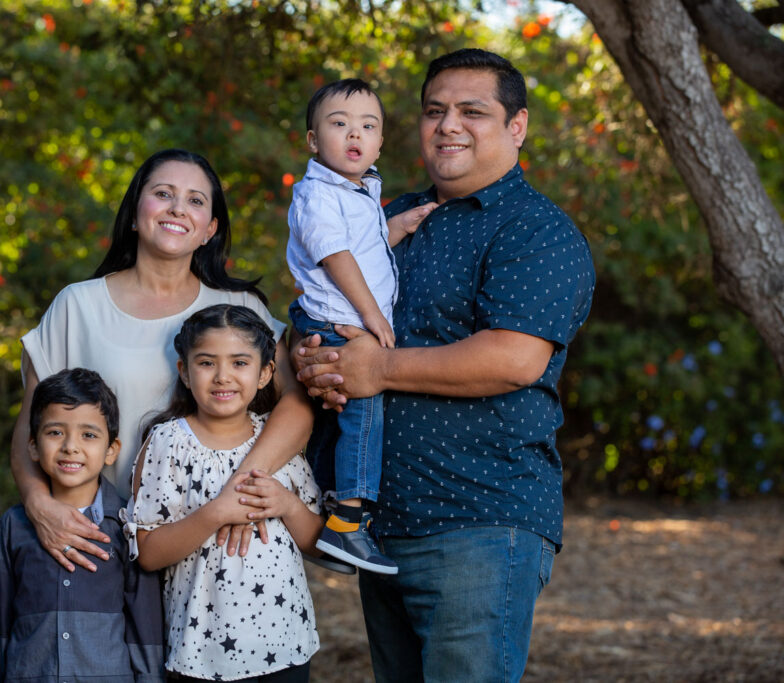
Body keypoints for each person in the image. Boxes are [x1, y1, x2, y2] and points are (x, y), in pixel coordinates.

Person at [294, 49, 596, 682]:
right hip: (381, 526)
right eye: (435, 111)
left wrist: (374, 370)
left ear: (516, 127)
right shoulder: (387, 216)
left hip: (478, 521)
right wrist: (314, 357)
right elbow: (333, 314)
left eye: (472, 111)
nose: (448, 125)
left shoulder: (533, 230)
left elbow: (513, 359)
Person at [10, 149, 313, 573]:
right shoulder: (77, 306)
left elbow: (297, 405)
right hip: (98, 544)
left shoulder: (238, 308)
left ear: (210, 228)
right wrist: (40, 506)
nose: (177, 208)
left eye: (195, 200)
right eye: (163, 193)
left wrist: (238, 492)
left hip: (218, 554)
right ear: (135, 213)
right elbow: (29, 427)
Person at [127, 305, 323, 682]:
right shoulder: (168, 443)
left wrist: (287, 504)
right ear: (184, 371)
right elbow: (148, 554)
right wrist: (216, 512)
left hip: (284, 644)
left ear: (266, 373)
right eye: (206, 363)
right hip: (201, 651)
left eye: (239, 363)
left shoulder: (278, 442)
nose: (223, 377)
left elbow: (316, 543)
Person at [0, 368, 164, 682]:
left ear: (111, 451)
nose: (70, 446)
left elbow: (143, 625)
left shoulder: (126, 523)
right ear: (34, 446)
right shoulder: (14, 525)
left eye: (88, 435)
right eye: (55, 432)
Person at [285, 78, 398, 574]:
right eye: (339, 124)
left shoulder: (361, 192)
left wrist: (400, 225)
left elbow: (364, 246)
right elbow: (335, 255)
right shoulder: (316, 192)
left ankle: (326, 505)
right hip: (342, 322)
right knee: (364, 413)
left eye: (367, 126)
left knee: (337, 419)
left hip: (343, 317)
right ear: (313, 141)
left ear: (379, 143)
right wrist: (372, 316)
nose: (355, 134)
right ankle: (348, 525)